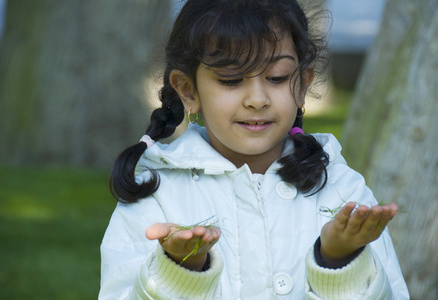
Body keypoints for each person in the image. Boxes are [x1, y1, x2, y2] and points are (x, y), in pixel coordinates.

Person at [100, 0, 409, 299]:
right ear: (187, 90)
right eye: (232, 80)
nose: (257, 99)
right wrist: (180, 270)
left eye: (276, 78)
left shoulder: (342, 191)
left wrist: (340, 261)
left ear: (302, 85)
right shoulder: (155, 197)